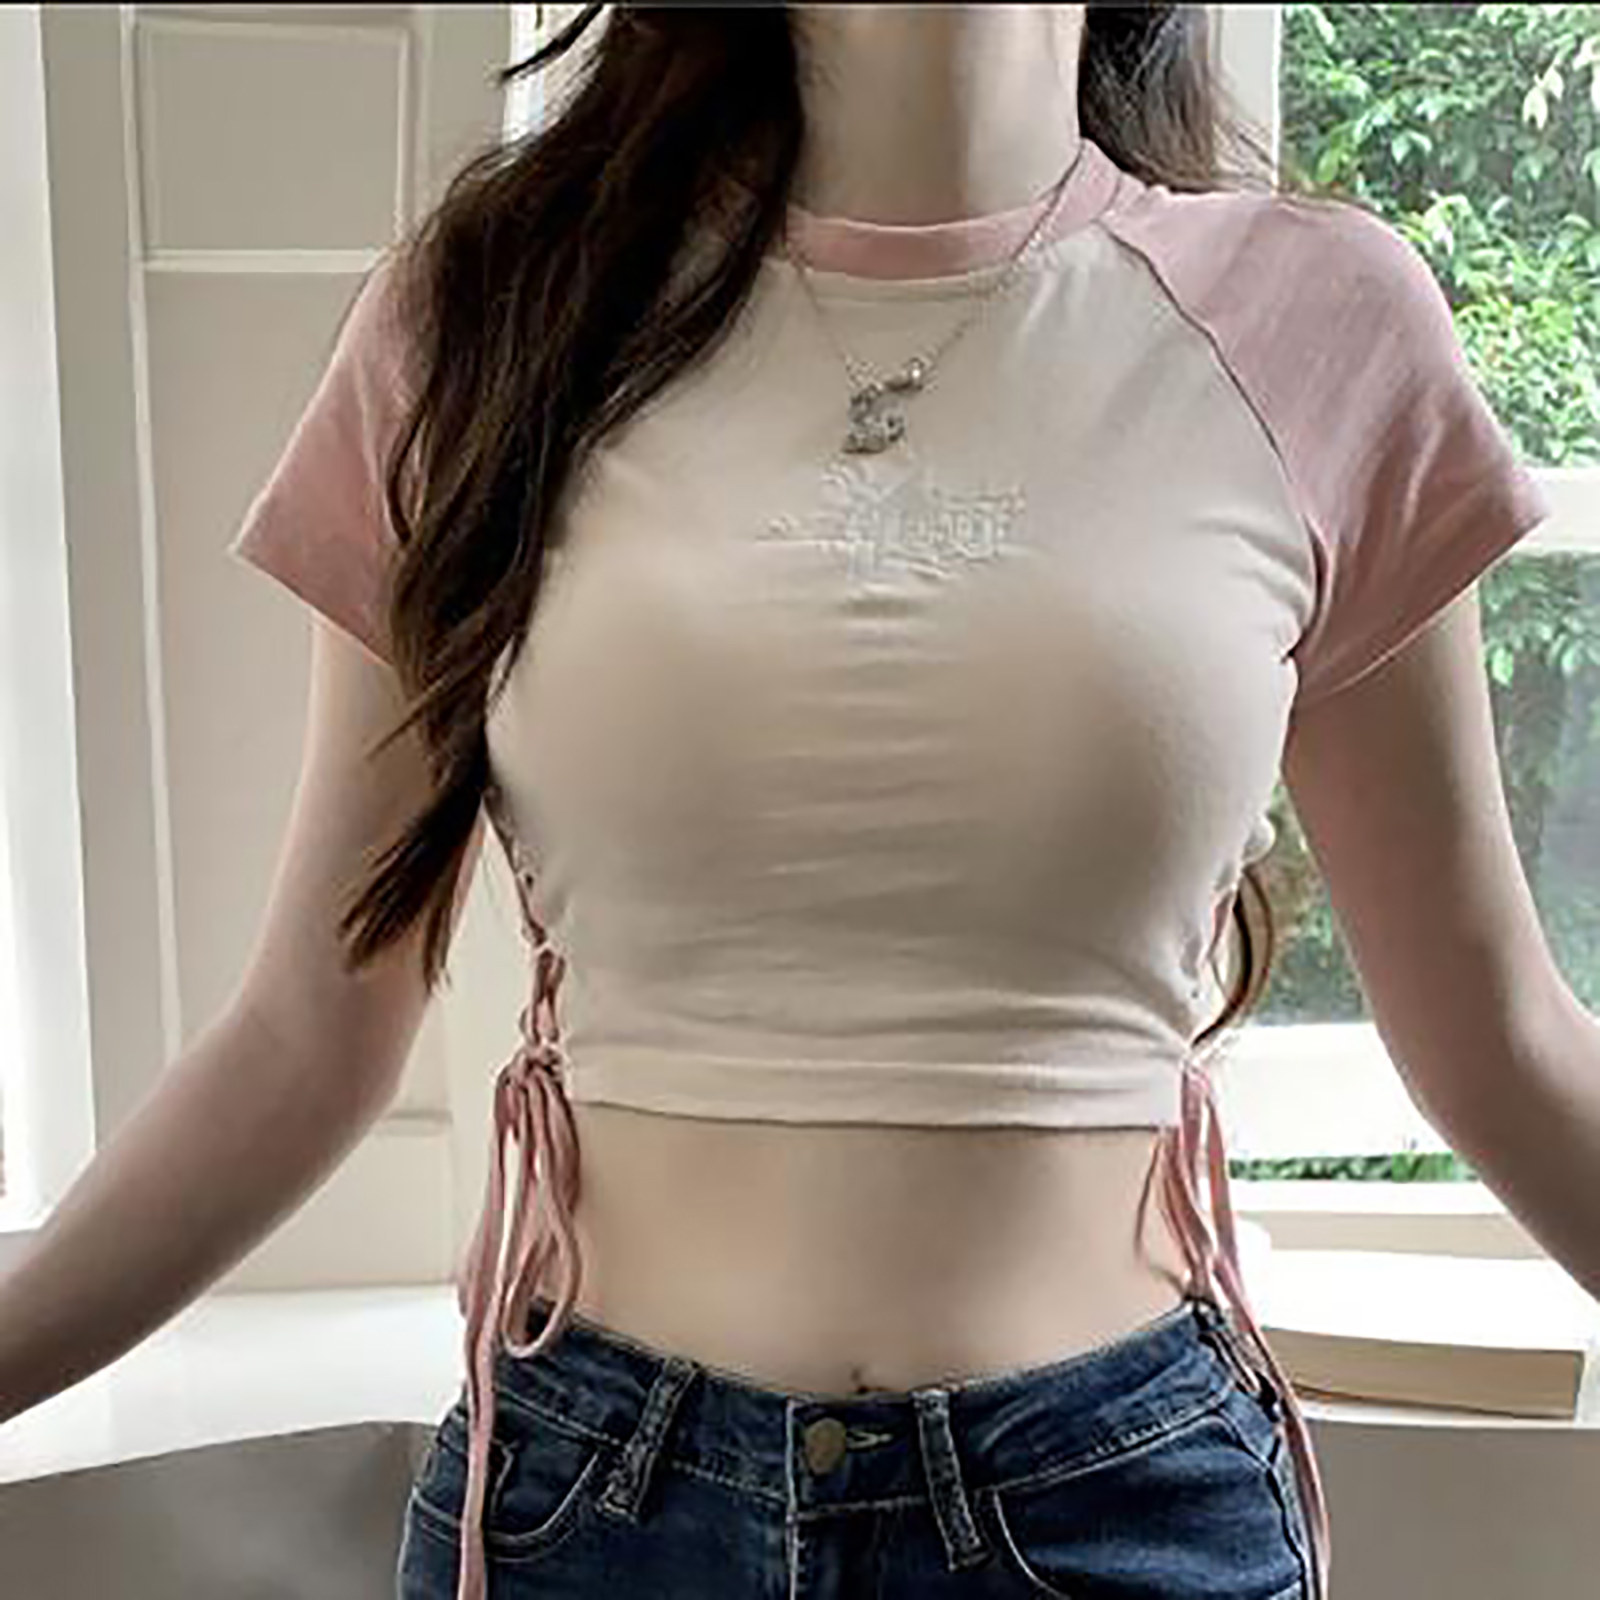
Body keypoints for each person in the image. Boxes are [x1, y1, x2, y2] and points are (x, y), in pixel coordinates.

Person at [0, 5, 1571, 1599]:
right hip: (589, 1513)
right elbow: (303, 1037)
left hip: (1116, 1508)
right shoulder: (493, 321)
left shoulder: (1316, 324)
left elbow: (1500, 1039)